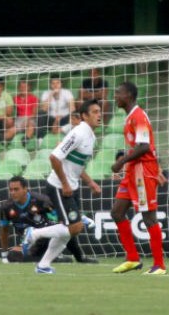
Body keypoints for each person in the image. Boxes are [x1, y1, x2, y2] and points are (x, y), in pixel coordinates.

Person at [110, 81, 168, 275]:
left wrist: (120, 162)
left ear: (130, 96)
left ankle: (159, 265)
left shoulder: (138, 116)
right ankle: (133, 259)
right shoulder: (130, 117)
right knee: (117, 212)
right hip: (132, 172)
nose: (115, 96)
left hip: (143, 171)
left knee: (148, 217)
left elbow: (144, 146)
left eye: (119, 92)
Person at [44, 99, 102, 269]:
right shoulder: (78, 133)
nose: (99, 115)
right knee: (74, 226)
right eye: (94, 112)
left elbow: (76, 164)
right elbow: (54, 157)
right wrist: (65, 184)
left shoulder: (91, 135)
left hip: (72, 186)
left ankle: (48, 262)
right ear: (84, 116)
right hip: (59, 187)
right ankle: (35, 235)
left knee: (71, 227)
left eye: (100, 111)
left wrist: (90, 182)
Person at [0, 176, 76, 274]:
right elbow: (4, 230)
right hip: (28, 244)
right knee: (12, 256)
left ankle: (52, 255)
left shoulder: (41, 200)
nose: (13, 193)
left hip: (46, 240)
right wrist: (4, 255)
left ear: (25, 189)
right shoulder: (6, 207)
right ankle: (52, 259)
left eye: (16, 189)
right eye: (11, 190)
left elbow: (62, 216)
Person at [38, 74, 75, 139]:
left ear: (61, 84)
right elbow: (44, 109)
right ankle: (40, 139)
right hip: (51, 120)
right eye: (53, 83)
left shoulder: (67, 92)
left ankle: (68, 132)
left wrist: (62, 117)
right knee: (40, 113)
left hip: (64, 119)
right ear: (50, 85)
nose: (55, 85)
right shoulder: (46, 93)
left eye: (58, 83)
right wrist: (51, 94)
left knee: (74, 115)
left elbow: (72, 109)